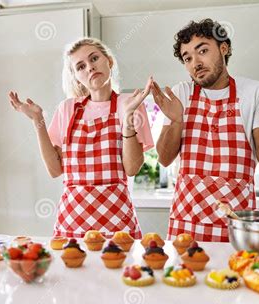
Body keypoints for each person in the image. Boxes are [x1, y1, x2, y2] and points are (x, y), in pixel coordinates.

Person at [153, 18, 259, 242]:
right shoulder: (182, 93)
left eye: (202, 51)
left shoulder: (255, 92)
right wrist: (176, 120)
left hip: (235, 223)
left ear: (223, 48)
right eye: (187, 58)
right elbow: (165, 159)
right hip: (187, 224)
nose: (195, 62)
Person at [9, 37, 154, 238]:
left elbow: (132, 168)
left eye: (94, 58)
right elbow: (55, 169)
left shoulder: (130, 103)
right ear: (76, 77)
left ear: (109, 61)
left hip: (117, 220)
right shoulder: (67, 109)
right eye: (80, 66)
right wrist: (37, 120)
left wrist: (128, 117)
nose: (90, 67)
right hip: (73, 221)